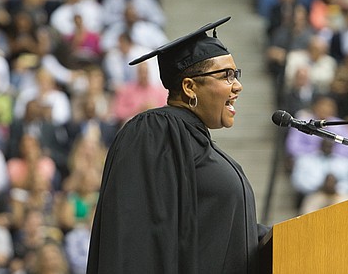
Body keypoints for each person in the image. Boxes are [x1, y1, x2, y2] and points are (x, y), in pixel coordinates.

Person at [87, 17, 269, 273]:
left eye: (235, 75)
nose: (238, 85)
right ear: (189, 87)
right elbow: (138, 234)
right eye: (226, 76)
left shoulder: (197, 142)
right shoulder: (155, 130)